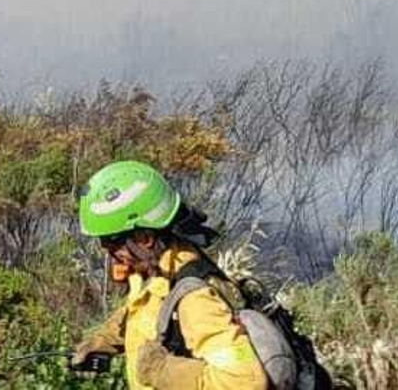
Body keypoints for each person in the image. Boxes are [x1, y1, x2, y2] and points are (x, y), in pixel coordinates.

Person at [69, 160, 269, 390]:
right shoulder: (157, 269)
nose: (107, 253)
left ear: (145, 238)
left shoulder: (196, 300)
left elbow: (246, 382)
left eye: (111, 243)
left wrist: (160, 369)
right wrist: (104, 340)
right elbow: (146, 312)